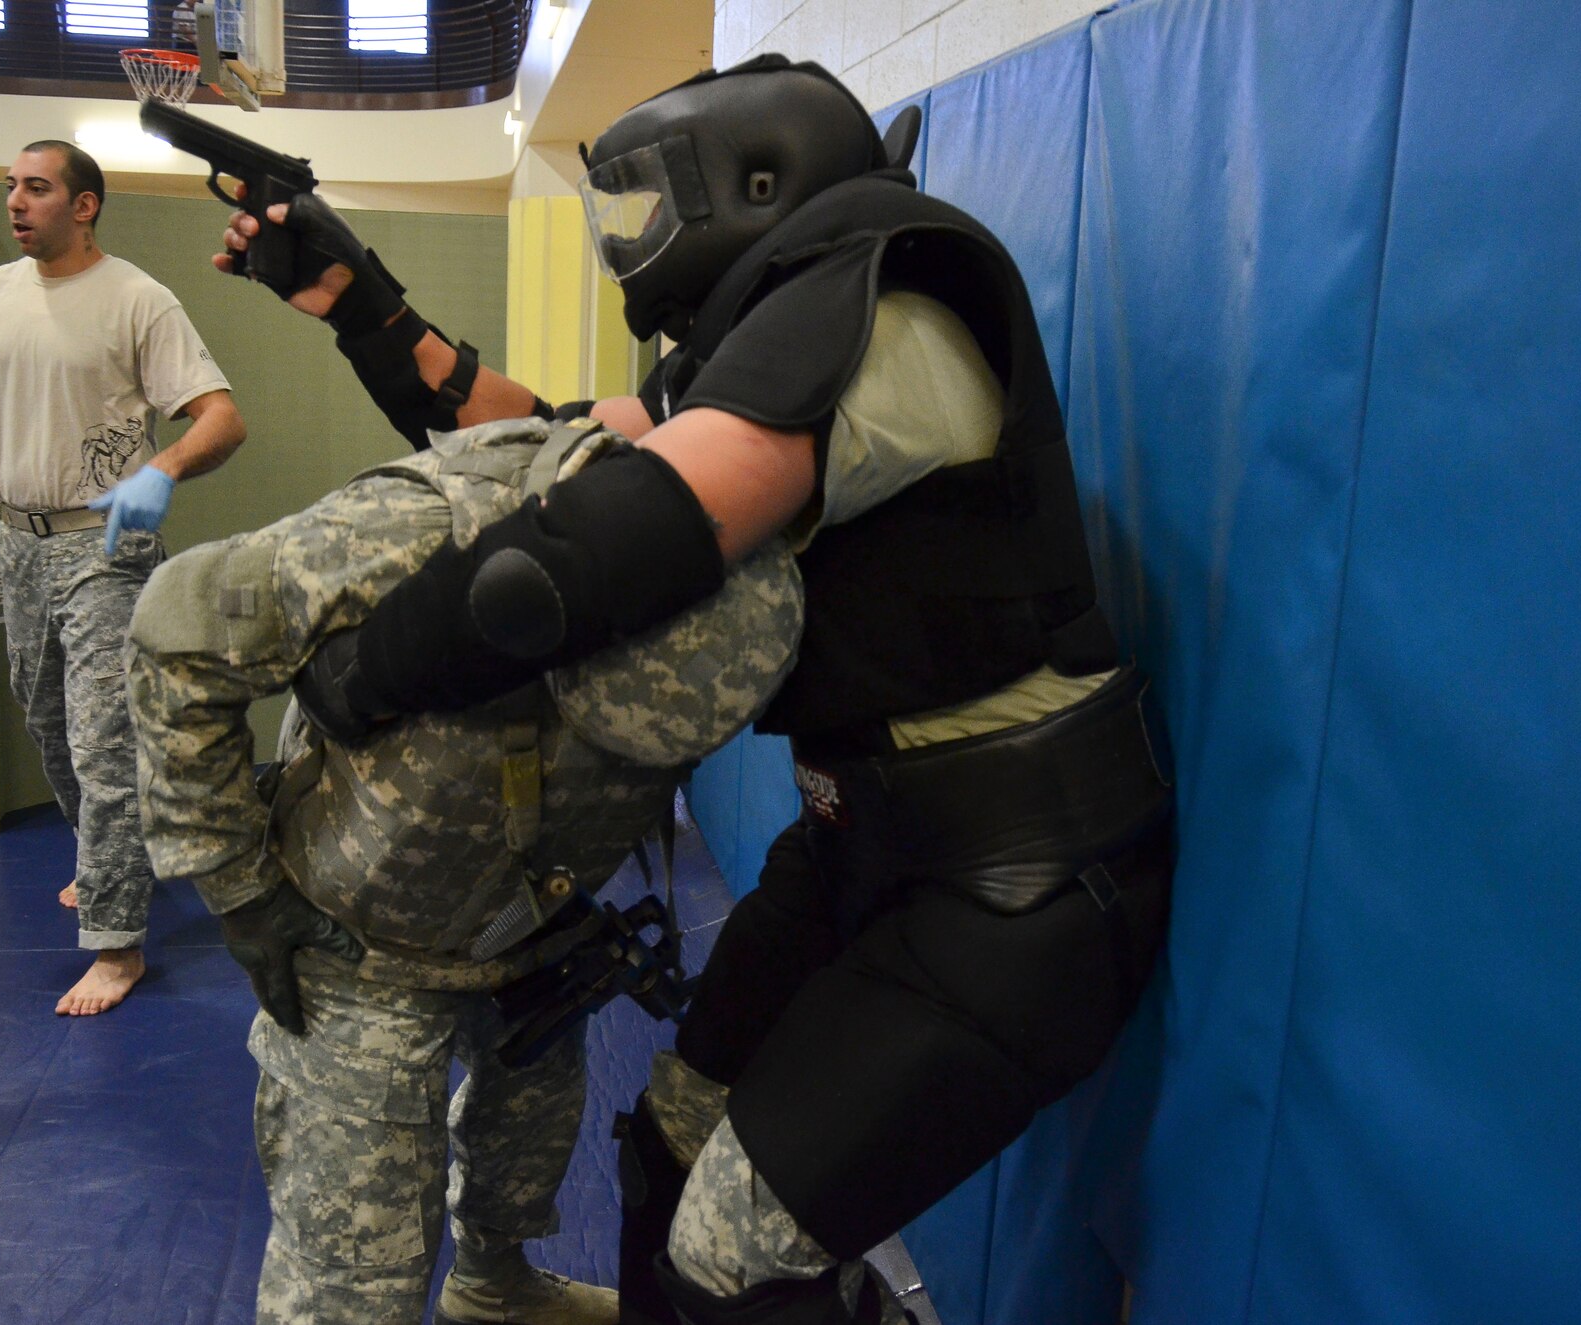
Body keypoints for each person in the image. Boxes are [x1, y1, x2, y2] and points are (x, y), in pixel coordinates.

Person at [216, 55, 1175, 1325]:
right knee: (668, 1139)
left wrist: (365, 674)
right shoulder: (770, 334)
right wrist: (369, 312)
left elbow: (607, 538)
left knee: (735, 1261)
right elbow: (551, 442)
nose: (629, 245)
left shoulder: (886, 297)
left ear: (753, 179)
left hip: (1014, 882)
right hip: (864, 843)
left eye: (640, 206)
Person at [125, 412, 803, 1325]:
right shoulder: (417, 538)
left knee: (525, 1139)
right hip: (359, 940)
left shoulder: (756, 545)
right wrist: (238, 889)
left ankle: (493, 1286)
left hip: (530, 924)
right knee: (354, 1269)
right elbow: (176, 630)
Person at [0, 140, 247, 1017]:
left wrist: (164, 471)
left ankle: (118, 946)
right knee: (48, 724)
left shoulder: (137, 299)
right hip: (18, 542)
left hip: (102, 548)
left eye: (36, 189)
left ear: (84, 207)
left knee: (102, 742)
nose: (15, 201)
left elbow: (221, 419)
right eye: (11, 187)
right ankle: (109, 859)